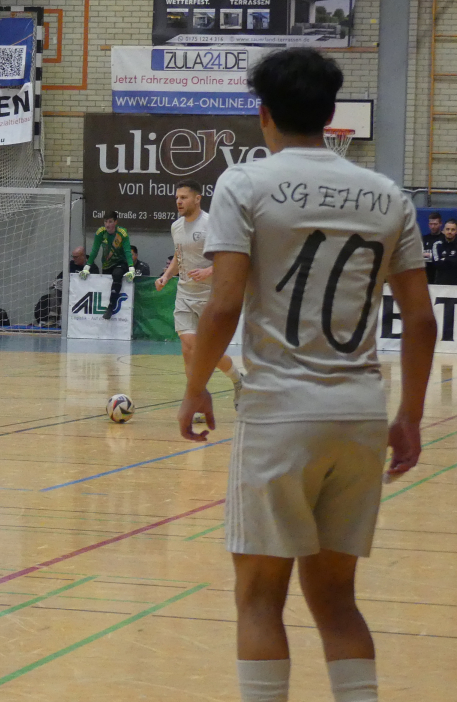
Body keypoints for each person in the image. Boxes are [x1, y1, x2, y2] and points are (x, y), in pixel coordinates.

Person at [177, 48, 436, 702]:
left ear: (263, 114)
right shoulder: (388, 195)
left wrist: (195, 386)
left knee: (260, 597)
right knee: (337, 600)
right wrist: (408, 416)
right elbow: (421, 320)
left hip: (279, 413)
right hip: (359, 414)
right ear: (331, 114)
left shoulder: (243, 185)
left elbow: (224, 305)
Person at [154, 179, 245, 402]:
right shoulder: (176, 227)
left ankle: (238, 379)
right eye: (177, 198)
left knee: (208, 352)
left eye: (184, 197)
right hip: (184, 294)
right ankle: (196, 399)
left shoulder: (211, 224)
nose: (179, 201)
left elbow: (228, 257)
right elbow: (179, 256)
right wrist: (166, 276)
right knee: (188, 347)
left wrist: (208, 271)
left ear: (197, 198)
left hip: (209, 296)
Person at [82, 212, 135, 320]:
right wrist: (87, 267)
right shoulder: (100, 232)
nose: (107, 225)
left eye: (110, 222)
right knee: (106, 283)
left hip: (121, 262)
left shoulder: (122, 233)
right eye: (105, 222)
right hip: (106, 264)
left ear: (116, 222)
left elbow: (127, 250)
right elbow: (95, 250)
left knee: (117, 274)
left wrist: (131, 267)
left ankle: (111, 307)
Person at [430, 218, 457, 285]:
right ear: (443, 231)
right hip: (441, 284)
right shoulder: (437, 244)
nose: (450, 232)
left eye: (453, 229)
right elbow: (436, 263)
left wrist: (444, 259)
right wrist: (452, 259)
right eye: (447, 229)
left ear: (456, 231)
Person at [421, 211, 443, 283]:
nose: (433, 227)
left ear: (440, 224)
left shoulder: (444, 239)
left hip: (440, 274)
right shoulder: (424, 239)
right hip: (426, 274)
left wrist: (429, 256)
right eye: (431, 224)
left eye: (435, 224)